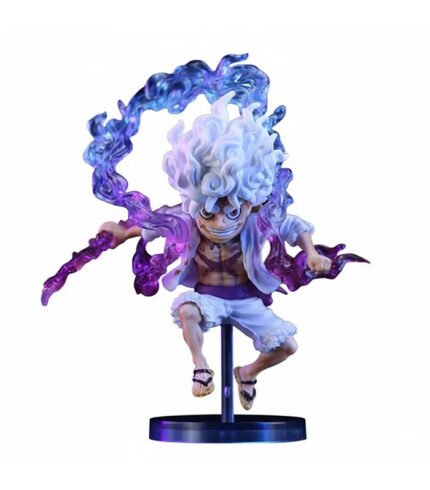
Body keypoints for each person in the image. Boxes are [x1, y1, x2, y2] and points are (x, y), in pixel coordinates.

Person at [99, 93, 331, 410]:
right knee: (187, 310)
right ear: (195, 203)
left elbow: (295, 226)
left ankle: (247, 373)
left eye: (232, 212)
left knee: (288, 346)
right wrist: (122, 233)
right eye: (209, 213)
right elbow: (154, 224)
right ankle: (201, 367)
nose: (220, 223)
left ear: (249, 202)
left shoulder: (258, 221)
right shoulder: (187, 220)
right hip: (208, 297)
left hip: (247, 299)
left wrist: (312, 253)